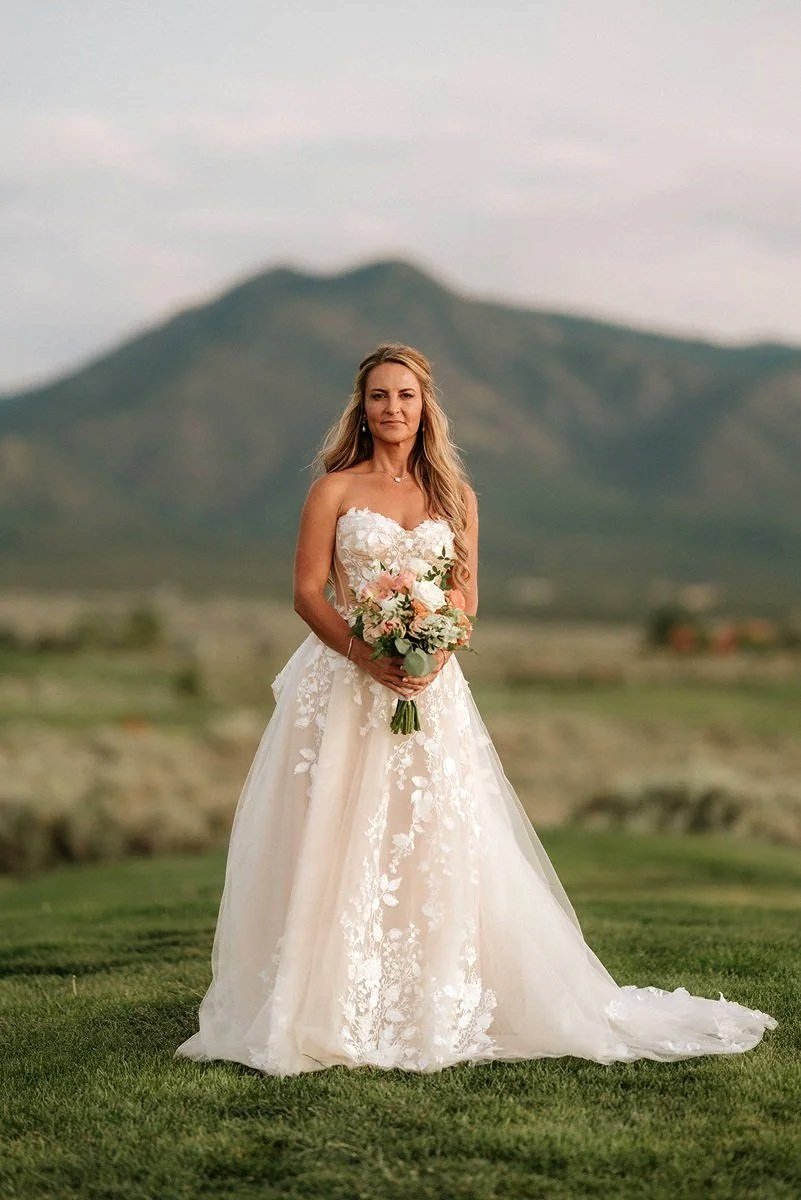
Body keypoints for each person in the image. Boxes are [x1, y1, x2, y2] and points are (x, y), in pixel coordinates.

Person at [175, 342, 777, 1075]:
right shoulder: (333, 490)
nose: (391, 408)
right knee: (332, 834)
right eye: (377, 396)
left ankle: (433, 995)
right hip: (342, 686)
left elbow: (464, 595)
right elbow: (307, 593)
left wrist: (430, 649)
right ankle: (322, 998)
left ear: (424, 405)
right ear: (359, 408)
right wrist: (368, 653)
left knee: (429, 836)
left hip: (429, 688)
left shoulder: (456, 496)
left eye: (404, 395)